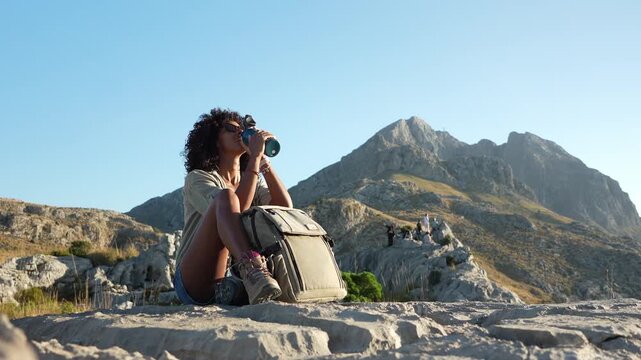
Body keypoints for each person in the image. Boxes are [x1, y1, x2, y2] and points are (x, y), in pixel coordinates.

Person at [174, 108, 293, 306]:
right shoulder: (199, 178)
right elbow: (236, 208)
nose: (239, 132)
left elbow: (284, 207)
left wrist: (264, 161)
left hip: (235, 279)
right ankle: (252, 269)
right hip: (196, 280)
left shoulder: (251, 180)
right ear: (214, 139)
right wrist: (254, 158)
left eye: (242, 129)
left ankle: (249, 278)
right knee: (226, 197)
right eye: (230, 128)